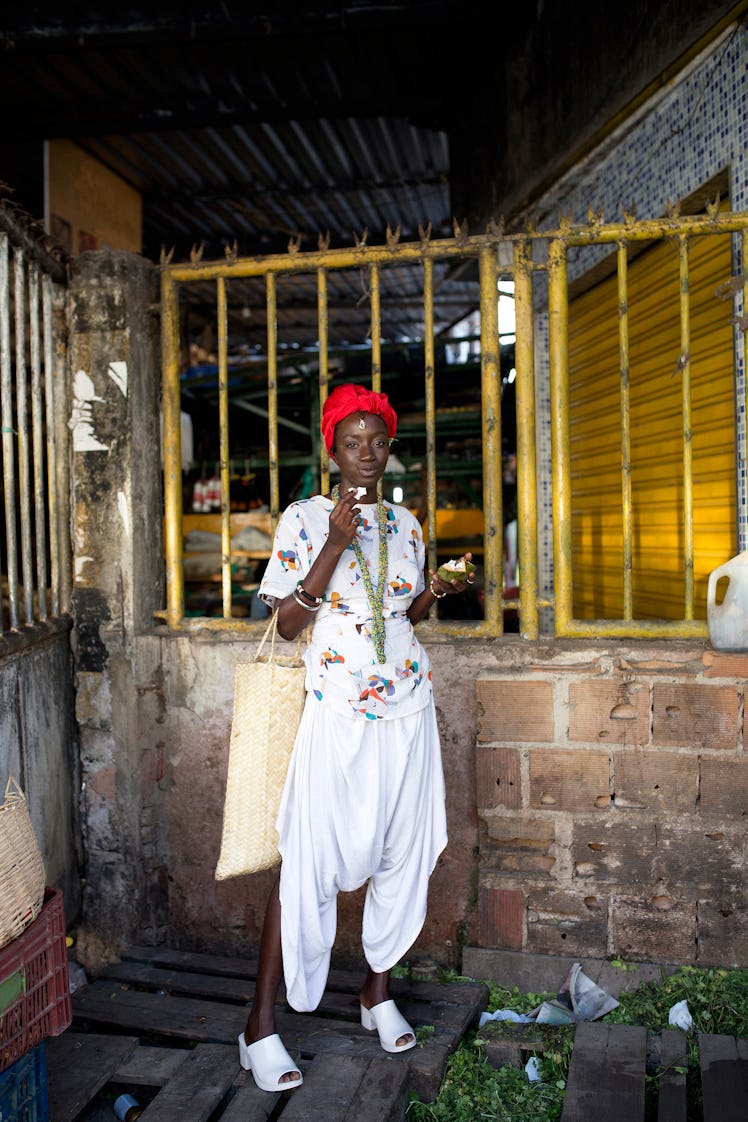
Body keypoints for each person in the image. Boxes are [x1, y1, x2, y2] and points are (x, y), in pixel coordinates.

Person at [238, 383, 473, 1093]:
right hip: (337, 709)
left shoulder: (406, 524)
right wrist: (335, 544)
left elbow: (403, 614)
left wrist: (434, 589)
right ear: (331, 448)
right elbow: (284, 624)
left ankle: (376, 991)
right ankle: (259, 1025)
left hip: (407, 706)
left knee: (400, 848)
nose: (367, 454)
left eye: (378, 442)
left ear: (388, 448)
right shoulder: (306, 519)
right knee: (307, 852)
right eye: (353, 442)